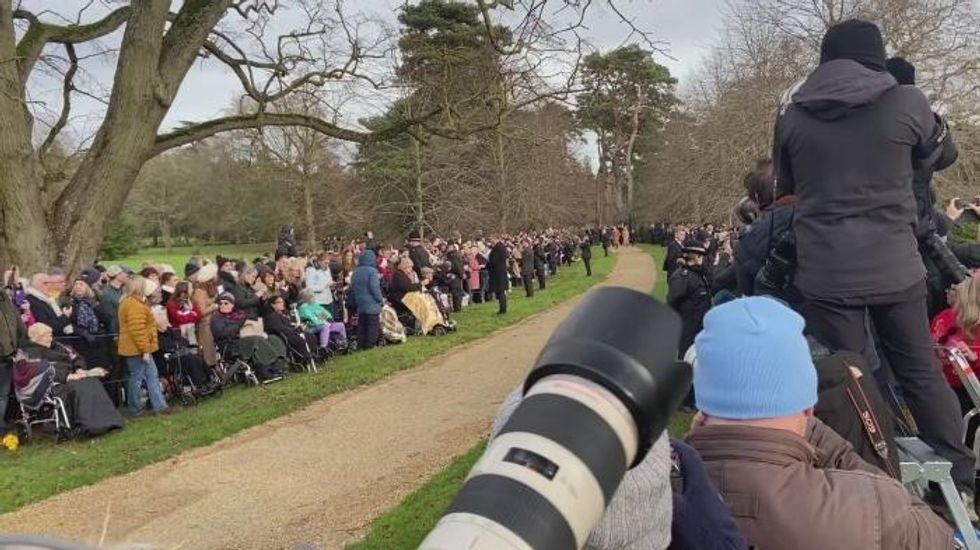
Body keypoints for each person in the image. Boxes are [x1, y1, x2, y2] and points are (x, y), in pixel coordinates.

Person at [773, 19, 975, 498]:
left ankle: (876, 479)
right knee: (919, 367)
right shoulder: (907, 101)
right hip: (895, 263)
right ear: (877, 57)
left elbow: (788, 186)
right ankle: (960, 471)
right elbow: (943, 154)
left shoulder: (791, 116)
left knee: (855, 376)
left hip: (825, 270)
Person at [686, 297, 953, 549]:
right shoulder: (872, 507)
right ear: (808, 408)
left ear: (702, 408)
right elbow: (937, 536)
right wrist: (815, 433)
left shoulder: (653, 494)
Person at [22, 323, 123, 436]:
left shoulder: (59, 346)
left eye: (50, 335)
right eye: (46, 336)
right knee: (80, 388)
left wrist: (79, 368)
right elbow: (39, 371)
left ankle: (108, 420)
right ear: (37, 338)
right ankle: (88, 425)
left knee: (93, 382)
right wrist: (67, 376)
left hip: (73, 377)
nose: (50, 338)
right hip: (51, 385)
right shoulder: (29, 354)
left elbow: (76, 357)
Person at [118, 276, 170, 416]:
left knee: (151, 375)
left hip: (139, 348)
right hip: (137, 349)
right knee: (138, 377)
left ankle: (160, 406)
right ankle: (136, 409)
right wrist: (145, 351)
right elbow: (138, 331)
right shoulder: (134, 305)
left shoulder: (132, 302)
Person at [211, 293, 285, 382]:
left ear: (232, 305)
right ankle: (264, 369)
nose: (222, 305)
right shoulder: (216, 319)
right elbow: (223, 333)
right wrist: (239, 324)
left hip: (245, 340)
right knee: (256, 340)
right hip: (230, 345)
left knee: (272, 338)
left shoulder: (239, 314)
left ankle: (276, 364)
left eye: (226, 303)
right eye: (220, 303)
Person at [667, 245, 711, 357]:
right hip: (688, 328)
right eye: (701, 257)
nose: (703, 260)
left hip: (699, 326)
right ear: (697, 256)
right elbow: (672, 302)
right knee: (687, 357)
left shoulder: (697, 273)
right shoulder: (682, 276)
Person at [0, 281, 26, 437]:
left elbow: (19, 324)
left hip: (8, 354)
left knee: (3, 394)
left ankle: (1, 426)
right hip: (5, 352)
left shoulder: (6, 300)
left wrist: (19, 344)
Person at [350, 249, 384, 349]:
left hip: (360, 301)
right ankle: (370, 345)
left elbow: (353, 286)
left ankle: (361, 344)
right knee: (372, 325)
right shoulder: (372, 271)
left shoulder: (355, 272)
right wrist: (380, 299)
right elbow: (374, 287)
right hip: (371, 303)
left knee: (362, 325)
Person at [25, 271, 72, 338]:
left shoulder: (43, 300)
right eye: (46, 283)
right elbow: (48, 327)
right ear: (39, 284)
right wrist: (64, 317)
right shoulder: (34, 302)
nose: (50, 287)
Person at [190, 263, 219, 369]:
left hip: (215, 320)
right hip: (205, 324)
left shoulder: (211, 288)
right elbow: (201, 312)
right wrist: (214, 306)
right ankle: (211, 366)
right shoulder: (200, 291)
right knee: (208, 347)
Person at [97, 265, 128, 335]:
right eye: (122, 273)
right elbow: (109, 316)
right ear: (117, 275)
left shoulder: (124, 290)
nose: (125, 275)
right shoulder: (106, 293)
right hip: (115, 331)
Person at [488, 235, 508, 315]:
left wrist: (489, 262)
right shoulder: (501, 247)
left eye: (491, 239)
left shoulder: (498, 247)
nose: (491, 241)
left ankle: (503, 309)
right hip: (500, 271)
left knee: (501, 291)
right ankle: (502, 308)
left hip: (498, 272)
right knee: (500, 291)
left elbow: (495, 260)